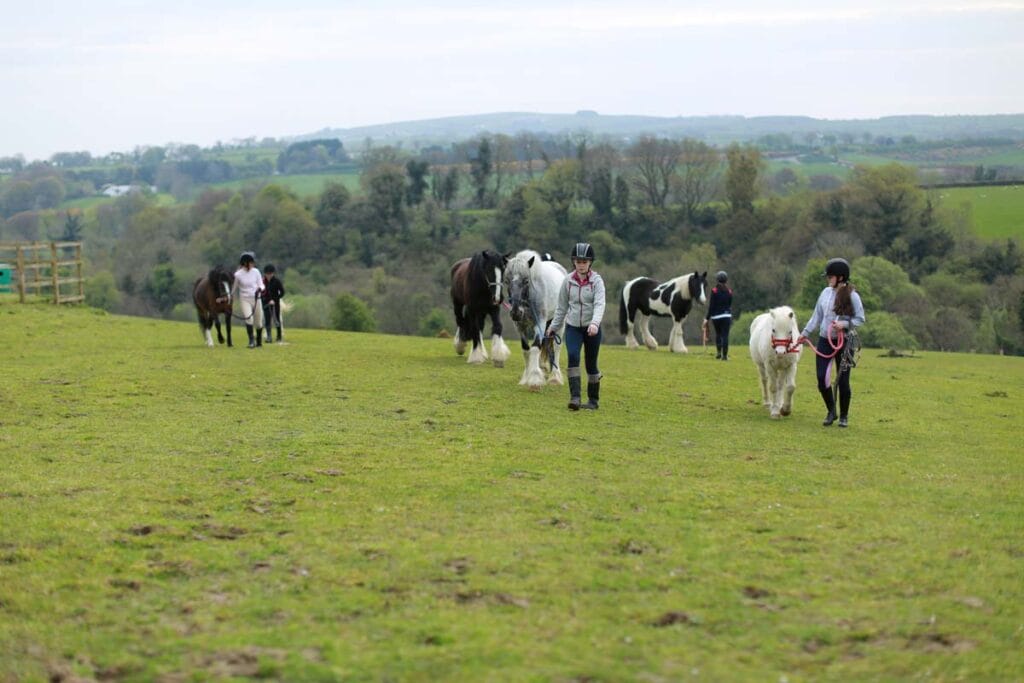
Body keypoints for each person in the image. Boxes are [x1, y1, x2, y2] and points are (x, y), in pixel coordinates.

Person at [800, 257, 866, 427]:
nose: (828, 279)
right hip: (825, 339)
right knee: (822, 378)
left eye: (830, 277)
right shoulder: (824, 293)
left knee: (843, 380)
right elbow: (817, 316)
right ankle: (831, 410)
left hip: (845, 341)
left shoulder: (852, 295)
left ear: (841, 278)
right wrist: (805, 333)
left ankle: (844, 416)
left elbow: (860, 318)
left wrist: (844, 324)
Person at [547, 242, 606, 411]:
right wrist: (553, 326)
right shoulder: (567, 281)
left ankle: (593, 400)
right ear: (574, 262)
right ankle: (575, 397)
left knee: (591, 364)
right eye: (578, 261)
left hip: (591, 329)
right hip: (573, 326)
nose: (581, 265)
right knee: (573, 356)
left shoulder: (597, 282)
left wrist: (594, 323)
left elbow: (600, 304)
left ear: (590, 263)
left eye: (584, 262)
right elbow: (562, 307)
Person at [232, 251, 266, 348]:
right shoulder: (238, 275)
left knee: (258, 322)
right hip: (245, 299)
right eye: (251, 262)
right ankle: (251, 341)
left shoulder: (256, 272)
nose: (253, 264)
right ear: (245, 263)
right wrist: (227, 297)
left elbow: (261, 284)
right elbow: (234, 288)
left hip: (256, 299)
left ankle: (259, 341)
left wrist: (260, 289)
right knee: (248, 318)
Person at [703, 271, 733, 360]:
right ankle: (724, 356)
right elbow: (729, 304)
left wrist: (707, 318)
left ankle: (718, 353)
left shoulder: (714, 291)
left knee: (718, 334)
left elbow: (711, 306)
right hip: (726, 316)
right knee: (725, 336)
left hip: (716, 317)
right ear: (726, 280)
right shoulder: (729, 292)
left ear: (717, 279)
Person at [262, 263, 285, 343]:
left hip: (275, 304)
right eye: (267, 274)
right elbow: (260, 292)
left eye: (270, 274)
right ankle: (269, 337)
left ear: (272, 273)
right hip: (265, 304)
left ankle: (279, 336)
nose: (268, 275)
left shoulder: (277, 281)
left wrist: (275, 300)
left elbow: (282, 292)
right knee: (267, 320)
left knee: (277, 319)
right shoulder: (262, 281)